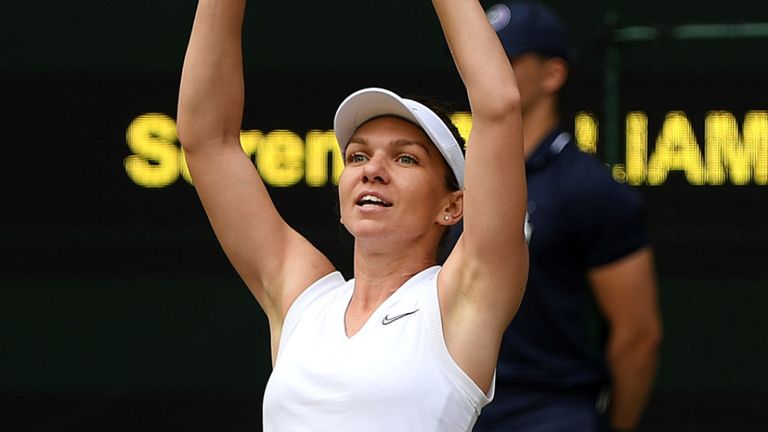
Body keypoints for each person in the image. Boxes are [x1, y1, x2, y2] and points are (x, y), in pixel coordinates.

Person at [176, 0, 528, 430]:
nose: (372, 171)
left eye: (406, 159)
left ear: (452, 206)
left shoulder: (462, 300)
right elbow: (206, 140)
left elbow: (499, 106)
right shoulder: (304, 301)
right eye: (357, 155)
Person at [472, 2, 663, 432]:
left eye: (508, 59)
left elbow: (638, 335)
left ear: (552, 74)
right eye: (484, 57)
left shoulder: (588, 188)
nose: (488, 71)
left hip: (549, 413)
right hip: (457, 409)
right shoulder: (458, 178)